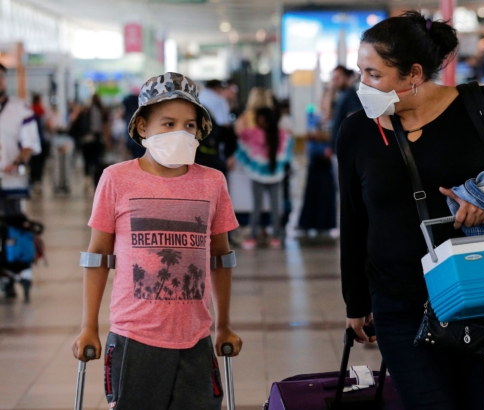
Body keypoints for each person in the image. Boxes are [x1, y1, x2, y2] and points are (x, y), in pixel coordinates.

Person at [337, 11, 484, 409]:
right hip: (397, 300)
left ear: (414, 73)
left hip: (479, 293)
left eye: (374, 74)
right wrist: (356, 303)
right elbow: (353, 218)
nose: (362, 85)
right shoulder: (357, 131)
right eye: (360, 72)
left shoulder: (480, 109)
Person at [71, 72, 242, 410]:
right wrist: (89, 326)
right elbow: (98, 256)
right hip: (134, 337)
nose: (181, 132)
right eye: (168, 123)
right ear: (143, 128)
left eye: (190, 125)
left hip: (195, 338)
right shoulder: (117, 179)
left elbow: (220, 258)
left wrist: (223, 326)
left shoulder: (212, 182)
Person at [0, 63, 41, 298]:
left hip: (11, 179)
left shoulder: (20, 110)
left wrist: (16, 162)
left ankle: (22, 270)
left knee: (16, 222)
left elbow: (30, 144)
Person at [236, 107, 292, 250]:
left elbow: (240, 136)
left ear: (262, 119)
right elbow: (287, 151)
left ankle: (253, 236)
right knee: (275, 207)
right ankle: (277, 237)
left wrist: (243, 116)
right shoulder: (283, 135)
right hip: (276, 174)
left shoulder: (253, 134)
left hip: (258, 175)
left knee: (257, 207)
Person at [329, 65, 363, 154]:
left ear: (347, 77)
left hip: (345, 149)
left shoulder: (351, 95)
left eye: (337, 78)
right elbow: (327, 114)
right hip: (338, 147)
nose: (335, 81)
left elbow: (353, 122)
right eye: (333, 78)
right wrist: (330, 90)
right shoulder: (341, 95)